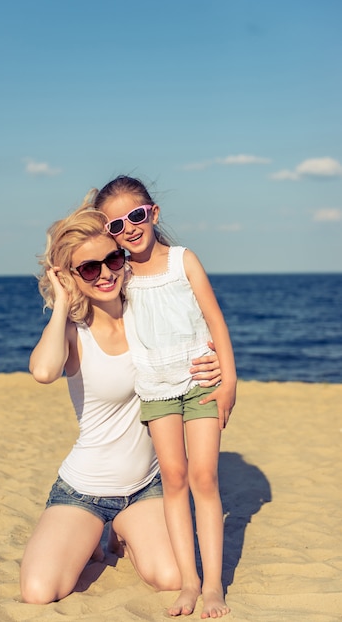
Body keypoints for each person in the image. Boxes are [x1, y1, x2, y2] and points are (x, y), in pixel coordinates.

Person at [20, 206, 222, 609]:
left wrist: (212, 359)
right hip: (83, 491)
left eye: (112, 259)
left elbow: (195, 336)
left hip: (146, 488)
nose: (106, 273)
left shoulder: (146, 316)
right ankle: (94, 533)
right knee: (39, 592)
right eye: (89, 269)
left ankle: (119, 535)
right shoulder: (75, 334)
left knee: (169, 578)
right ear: (73, 276)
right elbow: (43, 371)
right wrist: (61, 301)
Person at [92, 176, 236, 619]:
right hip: (155, 390)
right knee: (173, 479)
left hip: (200, 383)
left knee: (204, 478)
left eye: (135, 216)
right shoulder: (120, 275)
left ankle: (212, 586)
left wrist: (228, 382)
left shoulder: (183, 261)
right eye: (115, 224)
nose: (129, 228)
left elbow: (215, 319)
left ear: (152, 213)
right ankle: (189, 582)